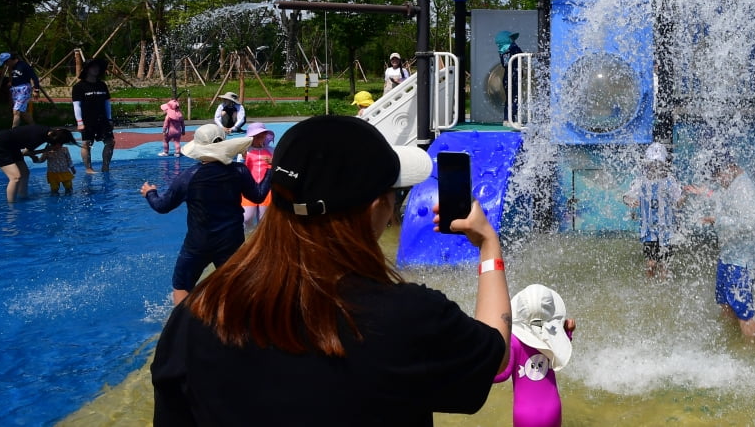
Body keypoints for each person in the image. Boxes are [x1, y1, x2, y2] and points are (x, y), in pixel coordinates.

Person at [150, 115, 510, 425]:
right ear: (373, 210)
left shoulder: (196, 316)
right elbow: (495, 355)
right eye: (393, 194)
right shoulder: (408, 318)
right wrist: (488, 245)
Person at [141, 123, 268, 305]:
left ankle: (183, 328)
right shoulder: (239, 171)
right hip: (231, 241)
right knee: (232, 287)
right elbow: (258, 195)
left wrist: (150, 193)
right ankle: (230, 327)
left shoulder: (188, 177)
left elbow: (162, 206)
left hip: (198, 243)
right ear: (223, 144)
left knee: (182, 286)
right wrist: (271, 172)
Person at [696, 150, 755, 340]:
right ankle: (730, 342)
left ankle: (752, 353)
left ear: (731, 168)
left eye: (719, 176)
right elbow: (727, 205)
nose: (719, 181)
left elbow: (749, 224)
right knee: (725, 303)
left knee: (744, 311)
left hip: (741, 261)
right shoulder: (733, 185)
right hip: (729, 255)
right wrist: (707, 194)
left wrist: (716, 220)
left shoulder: (744, 190)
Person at [494, 284, 575, 427]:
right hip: (553, 410)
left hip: (525, 415)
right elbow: (561, 349)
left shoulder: (513, 341)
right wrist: (568, 332)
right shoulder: (552, 335)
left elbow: (503, 374)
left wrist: (480, 372)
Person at [623, 142, 683, 279]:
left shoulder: (669, 181)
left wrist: (682, 199)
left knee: (665, 263)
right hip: (649, 230)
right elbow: (626, 196)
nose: (654, 168)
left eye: (658, 165)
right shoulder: (641, 181)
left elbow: (678, 200)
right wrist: (630, 201)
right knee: (651, 262)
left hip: (666, 229)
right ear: (647, 165)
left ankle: (662, 287)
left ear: (663, 165)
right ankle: (650, 285)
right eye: (652, 165)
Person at [0, 125, 77, 203]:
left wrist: (35, 156)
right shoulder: (38, 137)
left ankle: (23, 197)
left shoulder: (47, 132)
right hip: (0, 149)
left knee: (25, 173)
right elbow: (25, 153)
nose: (60, 146)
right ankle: (11, 206)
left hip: (13, 148)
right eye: (59, 143)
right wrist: (44, 151)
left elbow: (28, 151)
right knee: (15, 177)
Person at [72, 58, 115, 173]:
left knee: (110, 142)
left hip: (102, 119)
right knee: (87, 143)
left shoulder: (102, 85)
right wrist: (79, 122)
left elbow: (107, 103)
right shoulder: (79, 87)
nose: (96, 69)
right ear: (86, 69)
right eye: (93, 67)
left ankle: (105, 166)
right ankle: (89, 168)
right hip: (87, 120)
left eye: (97, 67)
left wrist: (109, 118)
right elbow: (77, 105)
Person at [240, 122, 275, 230]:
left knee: (264, 218)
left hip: (267, 188)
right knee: (247, 217)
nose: (259, 137)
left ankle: (263, 240)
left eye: (262, 134)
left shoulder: (271, 151)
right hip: (248, 187)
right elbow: (239, 169)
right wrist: (243, 159)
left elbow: (279, 168)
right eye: (256, 136)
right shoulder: (245, 152)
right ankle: (249, 236)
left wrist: (274, 162)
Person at [0, 52, 47, 128]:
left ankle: (13, 133)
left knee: (16, 111)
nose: (6, 65)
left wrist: (36, 90)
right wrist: (11, 82)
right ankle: (34, 127)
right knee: (22, 112)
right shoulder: (11, 67)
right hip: (15, 90)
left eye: (5, 63)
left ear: (9, 60)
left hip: (24, 90)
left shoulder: (24, 65)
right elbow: (14, 77)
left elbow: (34, 78)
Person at [33, 129, 78, 194]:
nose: (59, 146)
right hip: (53, 173)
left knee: (68, 186)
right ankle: (55, 198)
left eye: (60, 144)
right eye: (53, 144)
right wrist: (35, 159)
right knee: (54, 189)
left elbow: (69, 160)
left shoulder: (64, 149)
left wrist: (72, 168)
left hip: (64, 172)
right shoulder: (47, 151)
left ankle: (68, 197)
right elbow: (41, 160)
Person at [496, 31, 524, 123]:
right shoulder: (513, 49)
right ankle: (511, 119)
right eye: (511, 40)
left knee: (509, 98)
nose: (513, 41)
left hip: (508, 77)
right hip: (514, 77)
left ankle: (507, 119)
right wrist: (514, 45)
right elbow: (521, 54)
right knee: (515, 98)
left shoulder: (503, 52)